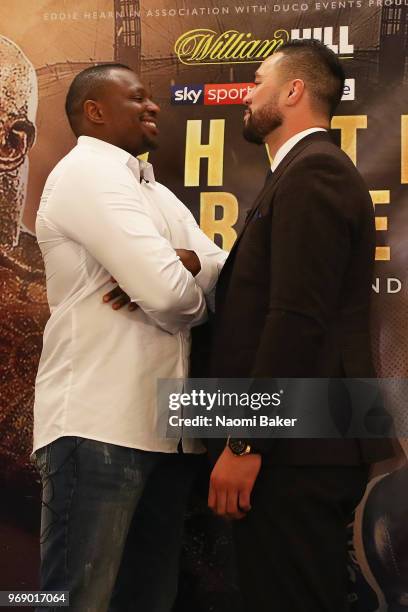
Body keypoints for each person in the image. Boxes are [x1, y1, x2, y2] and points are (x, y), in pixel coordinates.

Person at [207, 40, 394, 612]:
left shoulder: (314, 173)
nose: (247, 94)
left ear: (293, 92)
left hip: (301, 444)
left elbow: (297, 319)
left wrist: (245, 439)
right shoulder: (301, 172)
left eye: (258, 81)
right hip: (302, 437)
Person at [33, 63, 226, 612]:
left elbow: (220, 265)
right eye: (137, 98)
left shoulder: (151, 190)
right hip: (99, 427)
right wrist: (185, 285)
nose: (154, 106)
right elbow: (170, 296)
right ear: (94, 111)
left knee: (149, 599)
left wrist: (186, 265)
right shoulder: (88, 174)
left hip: (165, 432)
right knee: (78, 601)